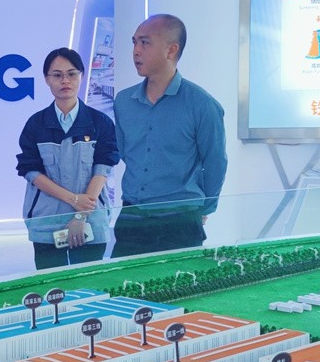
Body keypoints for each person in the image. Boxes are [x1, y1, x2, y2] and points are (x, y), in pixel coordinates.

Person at [113, 14, 228, 257]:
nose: (136, 51)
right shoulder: (123, 102)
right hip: (132, 216)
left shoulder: (202, 104)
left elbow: (215, 162)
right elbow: (126, 153)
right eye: (134, 42)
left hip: (180, 219)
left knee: (179, 281)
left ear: (171, 50)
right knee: (121, 280)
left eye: (145, 43)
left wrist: (204, 208)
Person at [16, 48, 119, 270]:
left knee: (89, 285)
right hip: (46, 224)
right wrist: (74, 199)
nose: (65, 81)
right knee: (52, 287)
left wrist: (81, 216)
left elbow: (103, 168)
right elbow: (31, 172)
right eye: (57, 75)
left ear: (81, 76)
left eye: (72, 74)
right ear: (47, 79)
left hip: (91, 223)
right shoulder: (35, 124)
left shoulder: (100, 123)